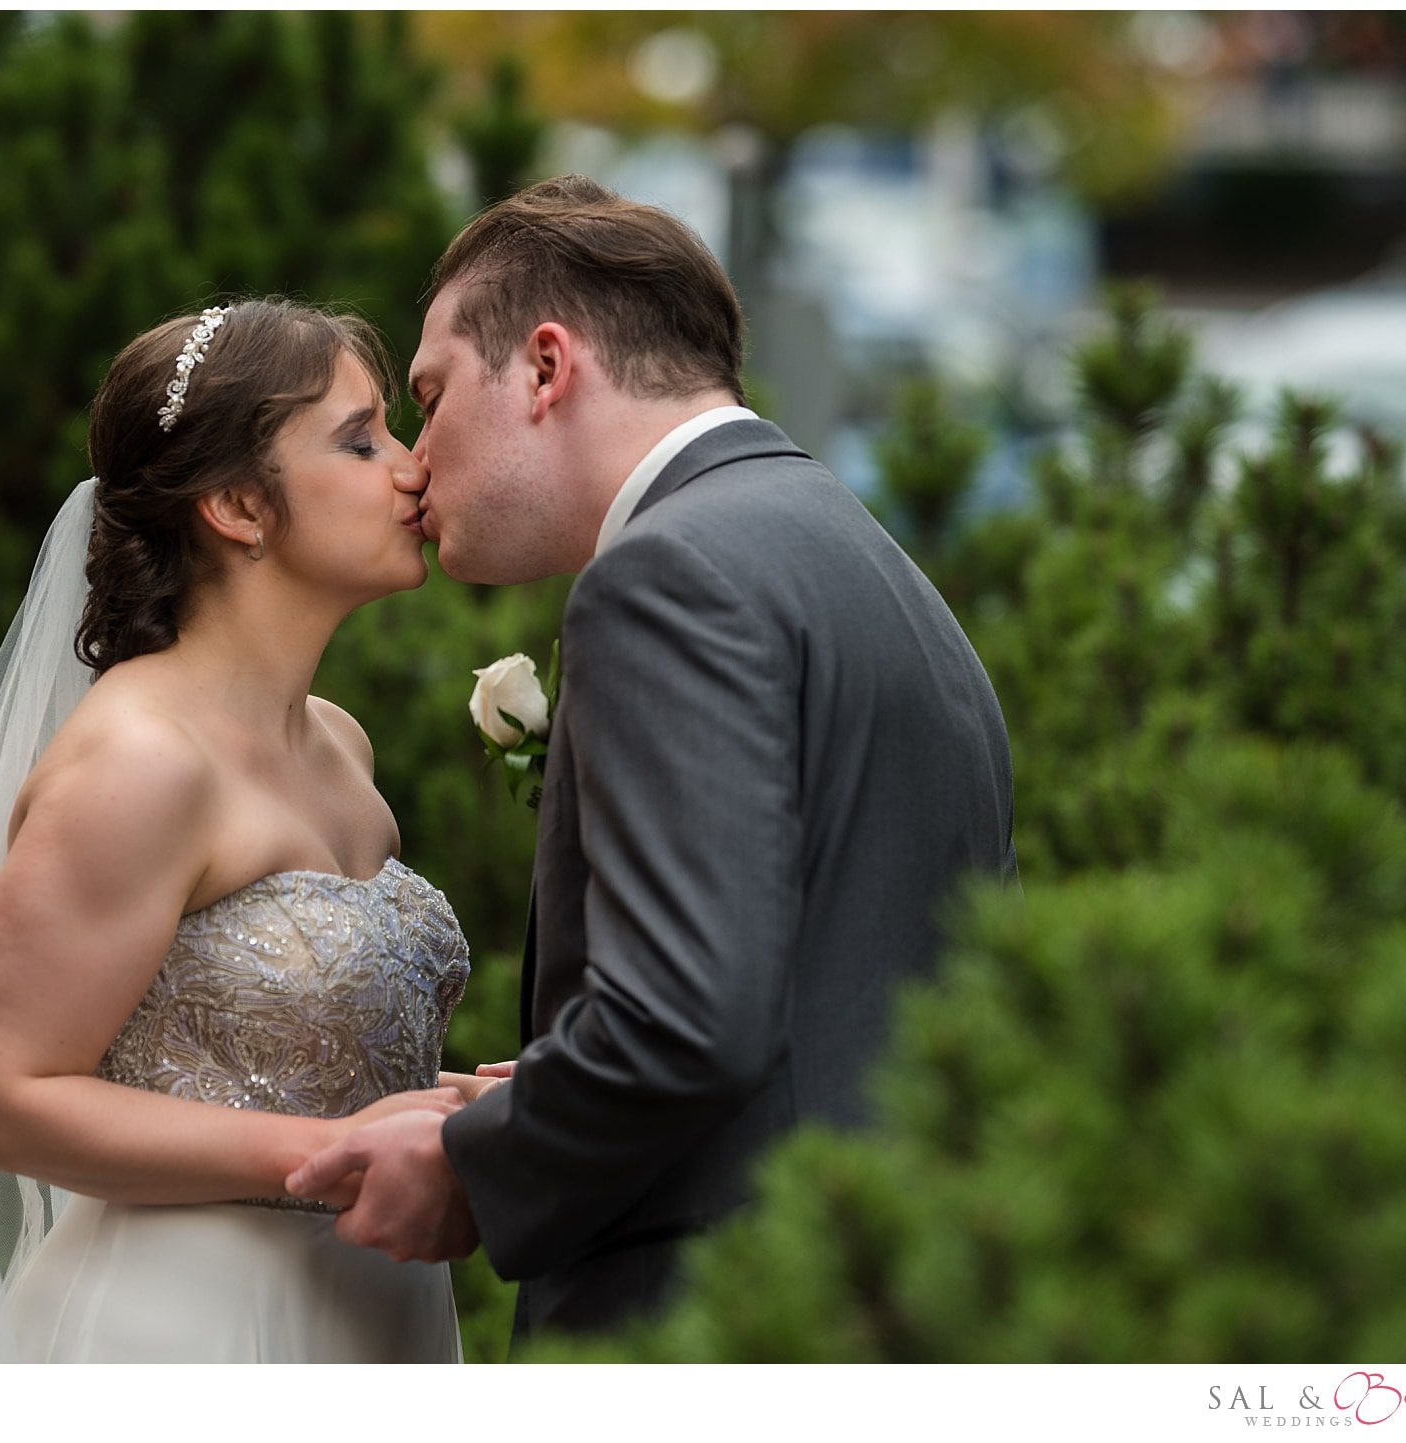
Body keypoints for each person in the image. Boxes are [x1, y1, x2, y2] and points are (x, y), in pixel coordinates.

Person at [287, 177, 1019, 1346]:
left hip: (719, 1315)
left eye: (430, 397)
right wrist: (553, 1083)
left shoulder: (665, 579)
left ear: (544, 366)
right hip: (883, 1288)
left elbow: (688, 1020)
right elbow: (825, 983)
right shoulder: (854, 553)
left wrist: (471, 1163)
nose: (415, 464)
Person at [0, 298, 488, 1363]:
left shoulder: (340, 744)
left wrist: (471, 1107)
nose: (412, 467)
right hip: (188, 1328)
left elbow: (318, 1057)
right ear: (240, 506)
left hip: (376, 1313)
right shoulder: (141, 760)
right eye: (361, 441)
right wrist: (325, 1149)